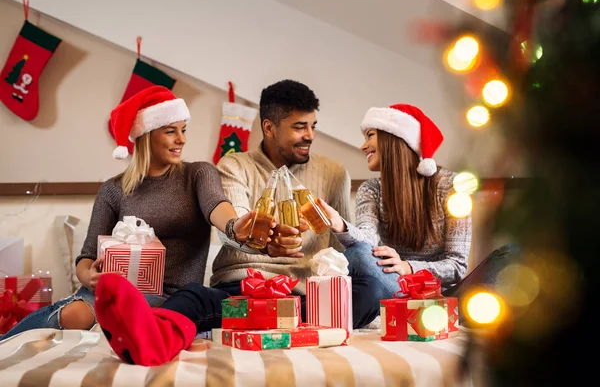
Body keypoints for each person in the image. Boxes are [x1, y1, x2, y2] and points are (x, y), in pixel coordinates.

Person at [91, 80, 386, 366]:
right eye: (299, 127)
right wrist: (260, 238)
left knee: (371, 289)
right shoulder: (234, 165)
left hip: (305, 294)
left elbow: (341, 253)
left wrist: (341, 237)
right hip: (244, 288)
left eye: (313, 126)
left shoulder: (334, 172)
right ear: (269, 127)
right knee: (194, 298)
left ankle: (272, 321)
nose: (309, 135)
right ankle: (150, 337)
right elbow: (231, 229)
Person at [0, 86, 259, 341]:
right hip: (114, 291)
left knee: (110, 316)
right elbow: (87, 256)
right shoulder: (113, 189)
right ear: (146, 135)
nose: (182, 139)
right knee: (72, 315)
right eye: (171, 131)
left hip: (174, 298)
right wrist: (89, 277)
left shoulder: (198, 174)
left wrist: (234, 226)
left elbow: (217, 205)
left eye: (183, 130)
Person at [319, 103, 519, 304]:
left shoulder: (451, 186)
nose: (363, 146)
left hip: (445, 293)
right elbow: (367, 240)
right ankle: (441, 314)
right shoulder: (371, 190)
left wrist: (408, 266)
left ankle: (452, 312)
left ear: (395, 138)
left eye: (370, 135)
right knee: (357, 254)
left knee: (510, 253)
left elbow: (457, 266)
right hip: (399, 288)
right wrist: (340, 224)